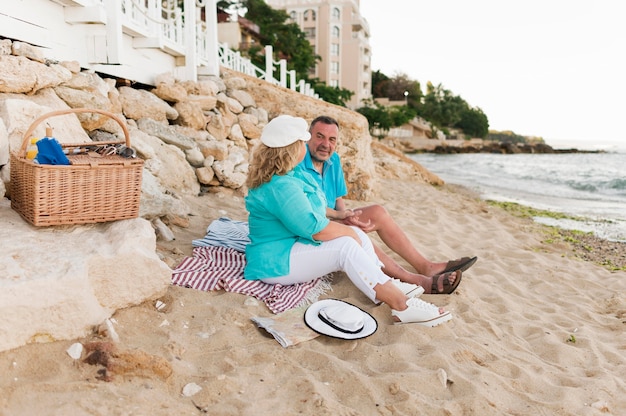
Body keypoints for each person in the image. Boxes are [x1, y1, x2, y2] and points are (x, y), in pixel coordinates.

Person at [244, 114, 452, 326]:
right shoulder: (282, 185)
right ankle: (401, 305)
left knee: (354, 236)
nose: (305, 146)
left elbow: (308, 208)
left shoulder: (287, 174)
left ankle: (389, 285)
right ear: (292, 148)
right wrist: (350, 232)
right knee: (346, 245)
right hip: (275, 261)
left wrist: (344, 220)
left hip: (288, 245)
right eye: (302, 142)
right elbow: (314, 229)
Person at [299, 115, 477, 294]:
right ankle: (416, 280)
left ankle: (426, 266)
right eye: (320, 136)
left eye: (332, 139)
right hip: (312, 226)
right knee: (357, 233)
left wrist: (348, 216)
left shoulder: (333, 159)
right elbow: (304, 209)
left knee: (378, 212)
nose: (325, 144)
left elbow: (338, 199)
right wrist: (341, 220)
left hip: (334, 219)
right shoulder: (298, 163)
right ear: (309, 136)